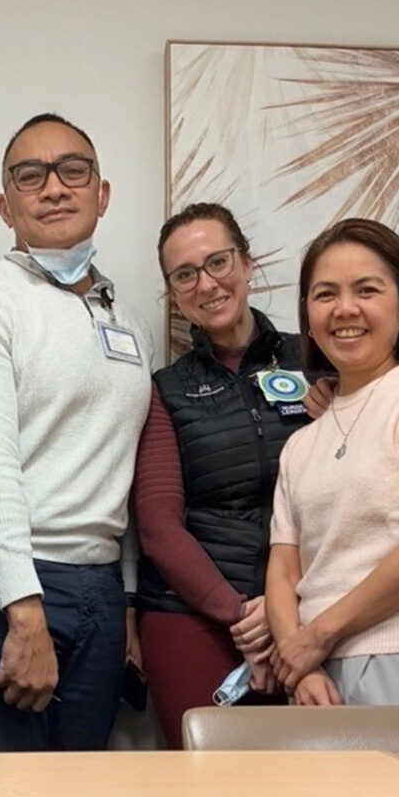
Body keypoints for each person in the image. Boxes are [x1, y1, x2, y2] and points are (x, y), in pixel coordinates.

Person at [0, 113, 153, 751]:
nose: (54, 187)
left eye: (72, 171)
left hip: (101, 590)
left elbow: (124, 469)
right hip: (5, 585)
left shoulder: (128, 321)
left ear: (101, 192)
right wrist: (23, 612)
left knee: (80, 783)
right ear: (6, 206)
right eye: (31, 177)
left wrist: (129, 602)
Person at [265, 218, 399, 706]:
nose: (346, 309)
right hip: (315, 673)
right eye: (325, 294)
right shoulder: (300, 444)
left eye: (367, 290)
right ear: (306, 312)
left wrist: (317, 636)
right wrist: (298, 663)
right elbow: (283, 570)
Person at [131, 203, 301, 747]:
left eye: (218, 262)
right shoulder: (165, 388)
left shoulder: (316, 360)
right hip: (192, 617)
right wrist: (243, 614)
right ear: (173, 293)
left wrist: (282, 609)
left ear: (248, 265)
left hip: (310, 610)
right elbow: (158, 525)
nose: (206, 284)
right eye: (185, 274)